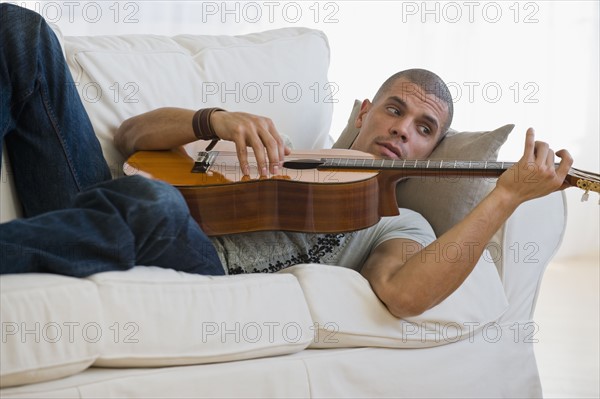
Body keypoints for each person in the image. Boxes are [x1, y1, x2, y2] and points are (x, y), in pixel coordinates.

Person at [0, 4, 572, 318]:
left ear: (430, 153)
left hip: (188, 255)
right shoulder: (281, 144)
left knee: (154, 203)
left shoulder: (399, 222)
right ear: (365, 110)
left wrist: (507, 195)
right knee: (19, 30)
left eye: (424, 129)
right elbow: (130, 136)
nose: (402, 128)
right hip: (97, 202)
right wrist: (212, 120)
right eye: (395, 110)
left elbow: (403, 294)